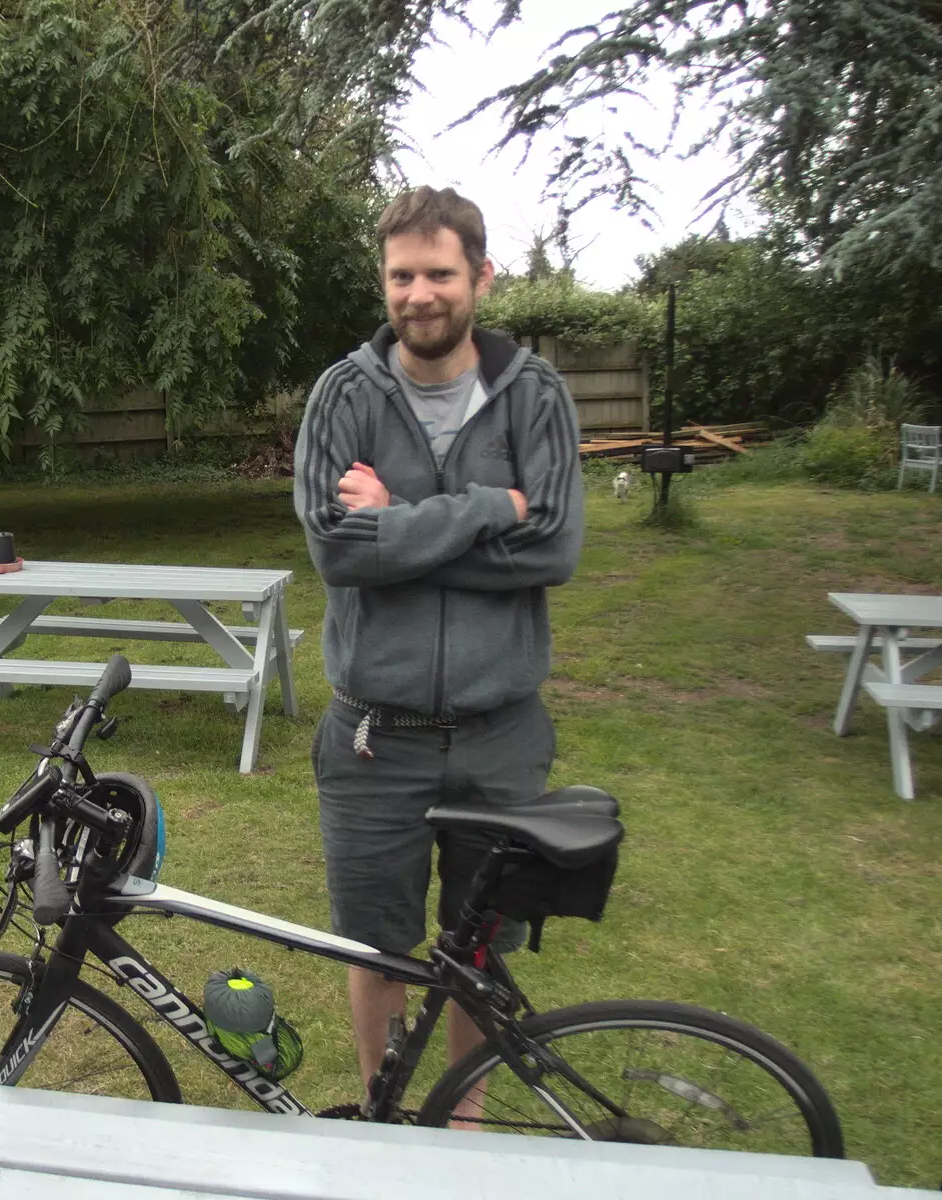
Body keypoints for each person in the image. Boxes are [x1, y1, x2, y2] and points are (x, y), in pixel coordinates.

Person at [292, 186, 584, 1091]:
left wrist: (405, 527)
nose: (420, 294)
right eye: (402, 275)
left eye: (440, 273)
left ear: (482, 277)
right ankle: (383, 1110)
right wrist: (490, 510)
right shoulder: (343, 394)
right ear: (384, 281)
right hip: (376, 739)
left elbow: (555, 548)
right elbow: (339, 552)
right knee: (373, 946)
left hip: (500, 737)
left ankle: (465, 1126)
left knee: (481, 951)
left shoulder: (534, 394)